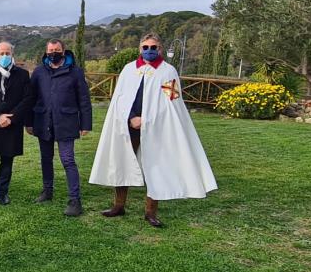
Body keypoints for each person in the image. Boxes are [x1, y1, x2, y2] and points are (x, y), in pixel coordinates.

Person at [88, 33, 218, 227]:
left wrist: (146, 119)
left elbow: (171, 102)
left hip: (156, 127)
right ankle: (119, 205)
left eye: (153, 47)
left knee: (154, 165)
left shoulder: (167, 72)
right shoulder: (129, 69)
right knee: (123, 160)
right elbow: (120, 98)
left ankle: (150, 212)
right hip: (128, 125)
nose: (149, 50)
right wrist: (131, 117)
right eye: (145, 47)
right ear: (140, 49)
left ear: (160, 49)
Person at [27, 39, 92, 217]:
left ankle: (74, 199)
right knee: (46, 158)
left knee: (68, 160)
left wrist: (86, 123)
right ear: (46, 52)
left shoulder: (75, 72)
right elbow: (31, 98)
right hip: (43, 120)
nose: (53, 53)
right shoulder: (39, 72)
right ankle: (47, 191)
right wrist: (29, 122)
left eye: (56, 50)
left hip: (66, 121)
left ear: (63, 51)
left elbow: (84, 100)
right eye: (50, 50)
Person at [0, 42, 35, 205]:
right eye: (1, 53)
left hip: (13, 124)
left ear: (12, 54)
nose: (4, 56)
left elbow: (28, 98)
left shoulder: (22, 75)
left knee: (7, 160)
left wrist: (11, 117)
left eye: (7, 53)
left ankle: (3, 193)